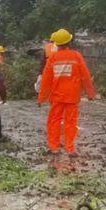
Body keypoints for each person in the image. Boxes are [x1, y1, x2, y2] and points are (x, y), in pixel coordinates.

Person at [37, 29, 95, 157]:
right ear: (69, 41)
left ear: (56, 44)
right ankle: (70, 148)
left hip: (56, 97)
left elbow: (46, 81)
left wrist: (41, 98)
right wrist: (90, 94)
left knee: (54, 121)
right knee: (70, 122)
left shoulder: (52, 58)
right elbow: (85, 76)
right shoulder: (76, 56)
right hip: (72, 97)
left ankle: (54, 148)